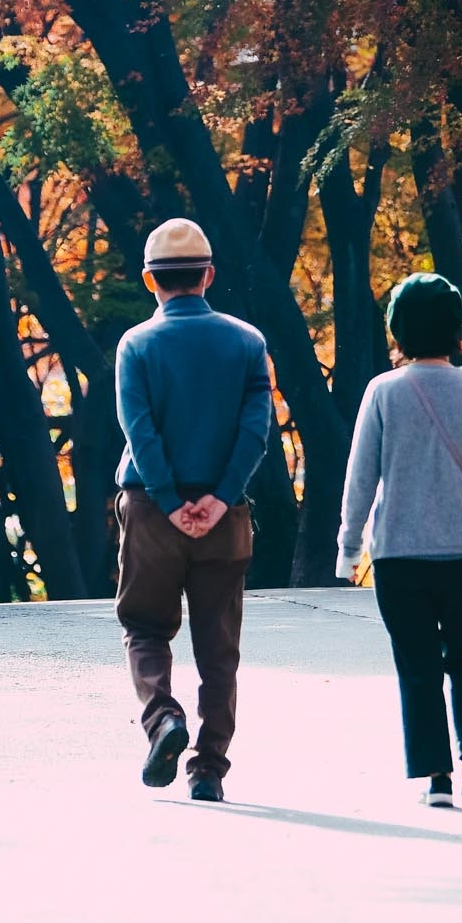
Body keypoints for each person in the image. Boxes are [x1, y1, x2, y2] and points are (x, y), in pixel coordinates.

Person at [337, 271, 462, 809]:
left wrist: (349, 548)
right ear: (456, 328)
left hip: (399, 555)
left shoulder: (382, 392)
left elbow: (361, 476)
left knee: (416, 663)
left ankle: (436, 779)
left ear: (397, 329)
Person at [113, 217, 275, 803]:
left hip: (153, 512)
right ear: (209, 274)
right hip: (225, 516)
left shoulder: (136, 345)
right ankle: (207, 769)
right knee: (218, 647)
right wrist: (221, 494)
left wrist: (170, 499)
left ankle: (163, 720)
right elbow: (257, 428)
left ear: (150, 281)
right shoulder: (248, 342)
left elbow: (139, 427)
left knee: (145, 627)